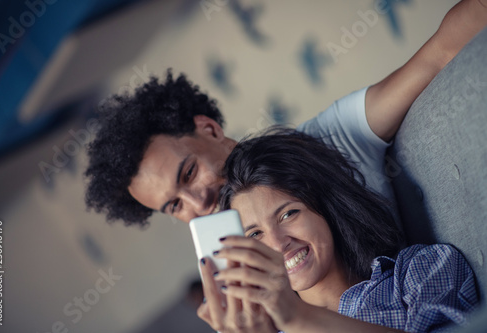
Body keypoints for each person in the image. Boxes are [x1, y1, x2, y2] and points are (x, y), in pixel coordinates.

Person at [85, 0, 487, 226]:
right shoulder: (233, 281)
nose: (198, 202)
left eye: (188, 173)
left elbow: (439, 54)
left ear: (207, 129)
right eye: (174, 206)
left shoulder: (329, 140)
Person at [197, 128, 479, 333]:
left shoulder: (421, 272)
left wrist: (298, 317)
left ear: (328, 206)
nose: (278, 243)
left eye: (288, 214)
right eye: (255, 234)